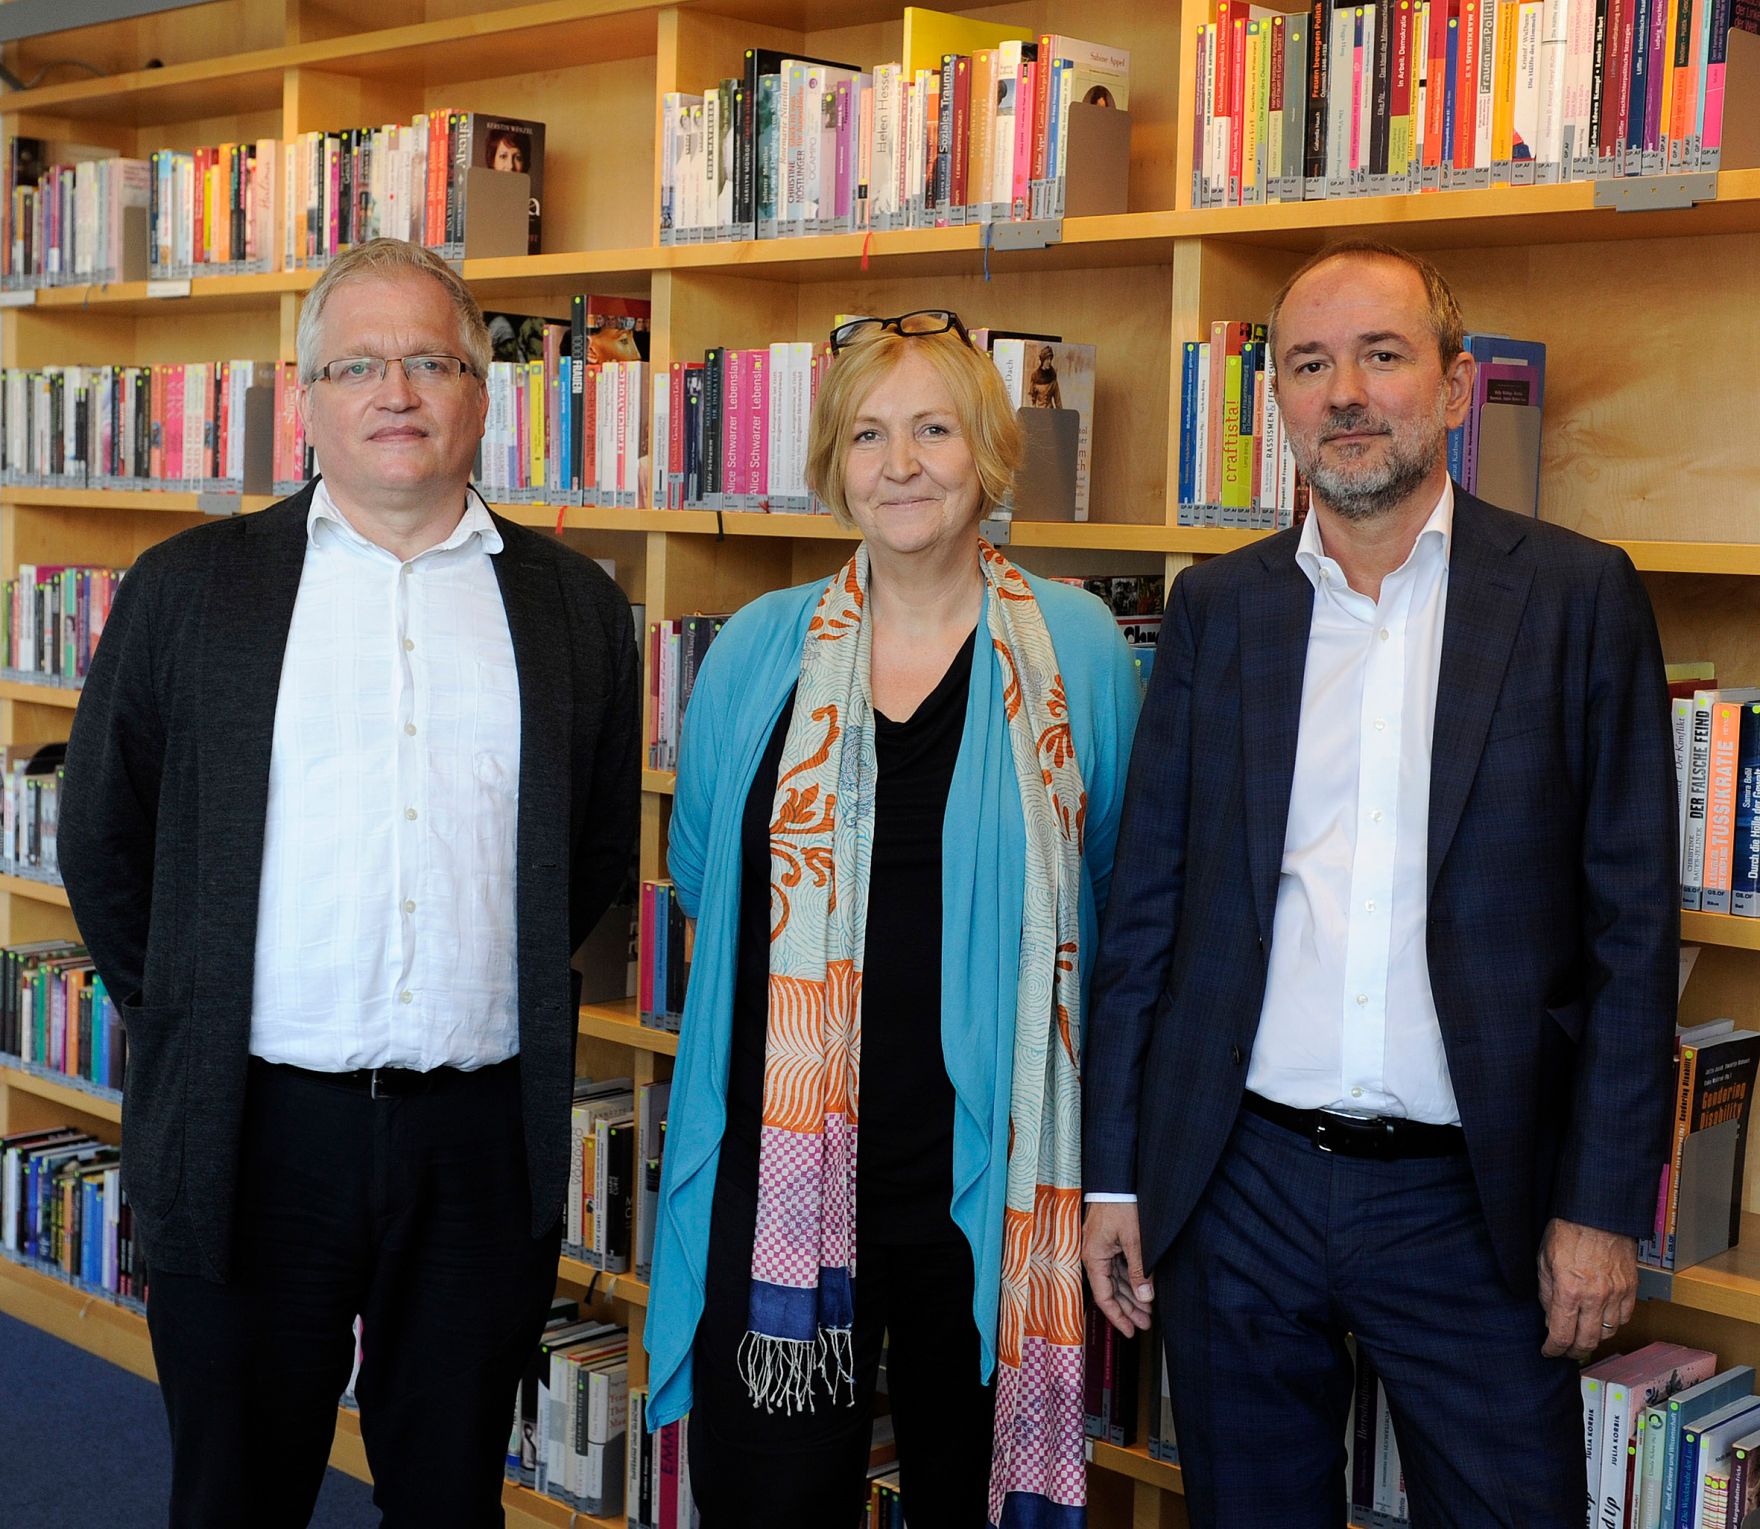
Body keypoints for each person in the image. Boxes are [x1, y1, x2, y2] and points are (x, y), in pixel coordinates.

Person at [1081, 240, 1677, 1527]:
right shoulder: (1218, 610)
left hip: (1473, 1202)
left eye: (1381, 354)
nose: (1342, 390)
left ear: (1454, 388)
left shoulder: (1574, 597)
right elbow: (1146, 907)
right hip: (1235, 1184)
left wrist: (1598, 1204)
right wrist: (1117, 1176)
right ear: (1279, 402)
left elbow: (1633, 934)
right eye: (1308, 363)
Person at [58, 237, 641, 1528]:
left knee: (448, 1497)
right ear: (306, 395)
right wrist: (197, 1016)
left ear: (481, 392)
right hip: (255, 1132)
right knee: (235, 1494)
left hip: (478, 1142)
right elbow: (103, 838)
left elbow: (589, 853)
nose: (397, 390)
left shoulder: (573, 609)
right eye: (359, 363)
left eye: (430, 359)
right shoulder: (189, 591)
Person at [644, 309, 1141, 1528]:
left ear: (987, 453)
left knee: (966, 1501)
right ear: (831, 462)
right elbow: (709, 888)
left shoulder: (1077, 645)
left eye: (932, 429)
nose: (899, 463)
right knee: (770, 1503)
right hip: (786, 1180)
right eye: (867, 434)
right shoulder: (756, 649)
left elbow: (1117, 902)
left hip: (992, 1181)